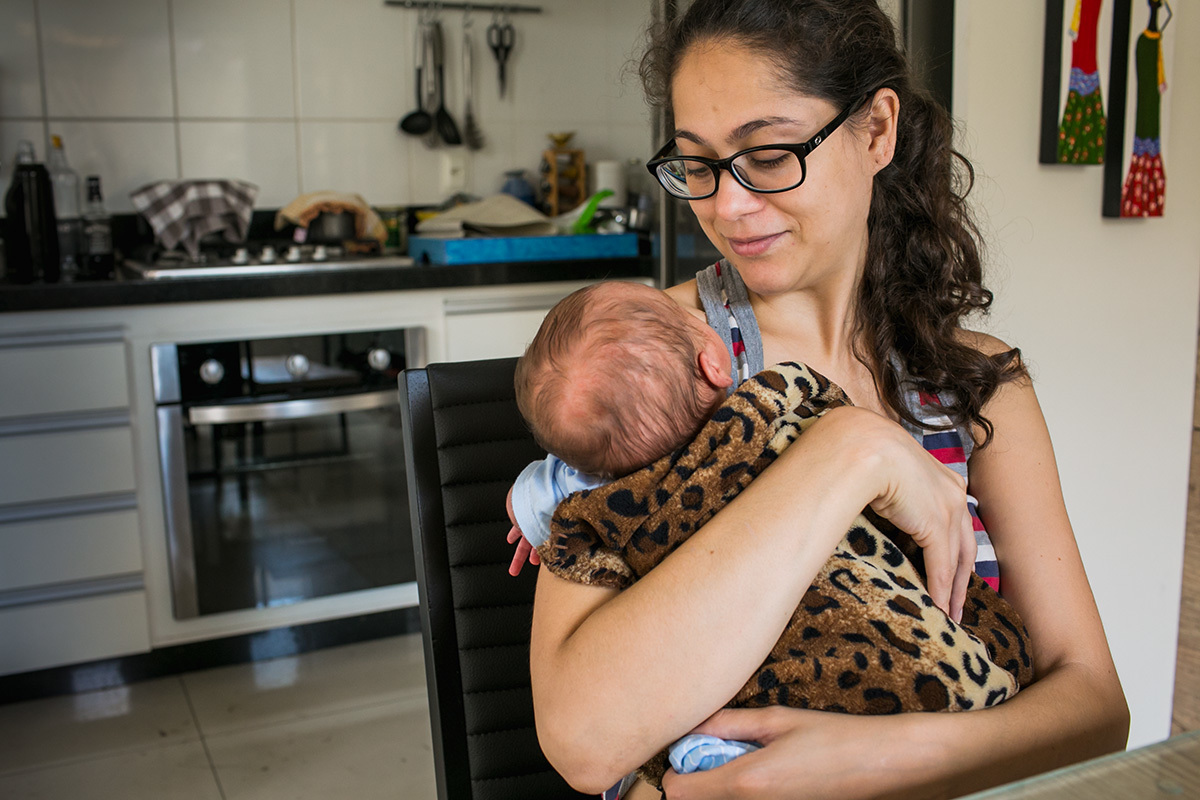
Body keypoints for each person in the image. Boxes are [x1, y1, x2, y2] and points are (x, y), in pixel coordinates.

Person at [523, 2, 1129, 798]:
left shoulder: (972, 382)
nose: (726, 207)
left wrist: (870, 760)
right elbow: (584, 741)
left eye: (768, 154)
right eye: (698, 164)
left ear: (876, 130)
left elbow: (1093, 710)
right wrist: (852, 453)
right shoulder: (659, 367)